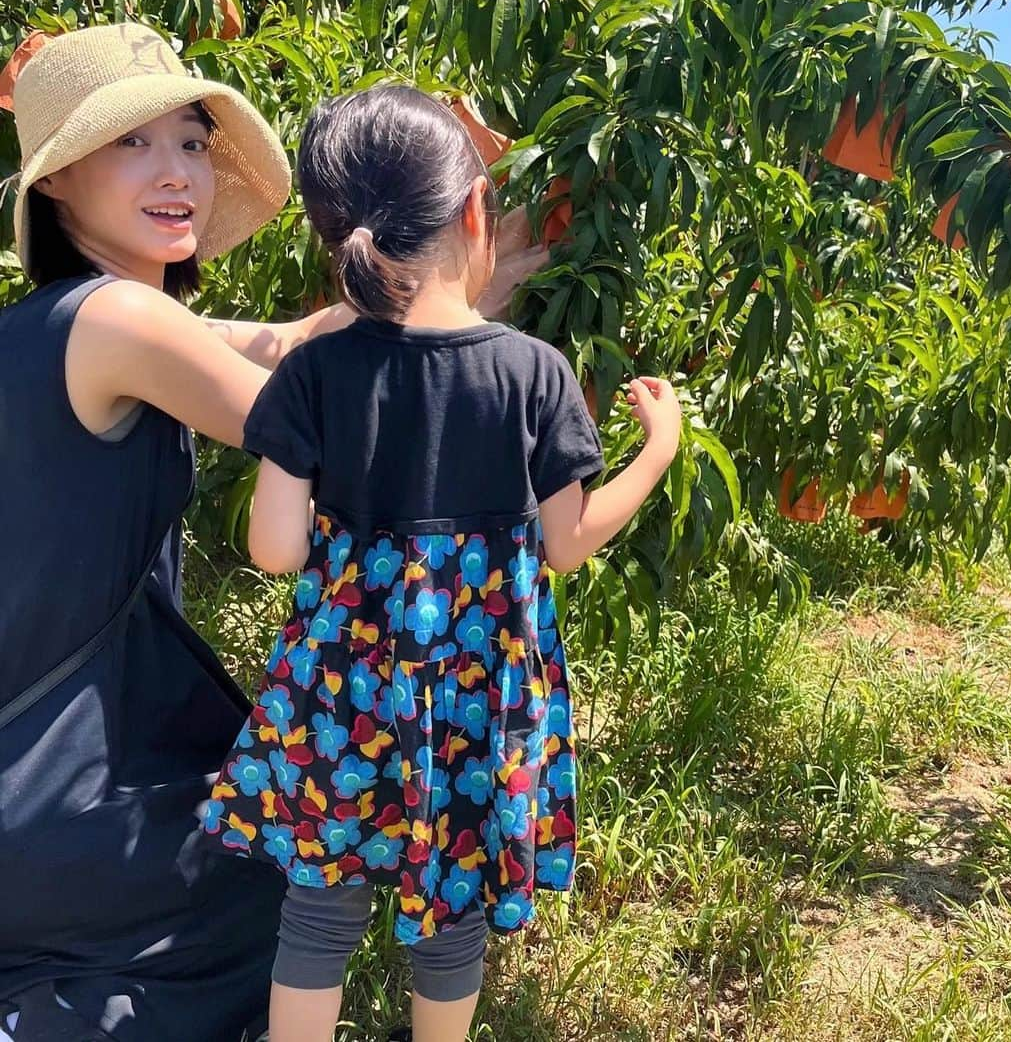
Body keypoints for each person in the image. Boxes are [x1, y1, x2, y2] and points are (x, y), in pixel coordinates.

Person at [0, 25, 548, 1042]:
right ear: (59, 181)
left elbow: (298, 345)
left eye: (193, 144)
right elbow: (329, 430)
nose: (178, 175)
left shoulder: (70, 319)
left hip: (35, 762)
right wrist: (475, 326)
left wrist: (441, 255)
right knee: (282, 849)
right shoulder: (124, 320)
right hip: (58, 791)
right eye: (134, 145)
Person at [199, 86, 683, 1042]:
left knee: (319, 905)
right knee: (454, 912)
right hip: (476, 695)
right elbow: (568, 547)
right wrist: (658, 448)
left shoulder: (314, 372)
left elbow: (273, 549)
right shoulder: (532, 373)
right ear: (475, 214)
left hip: (340, 699)